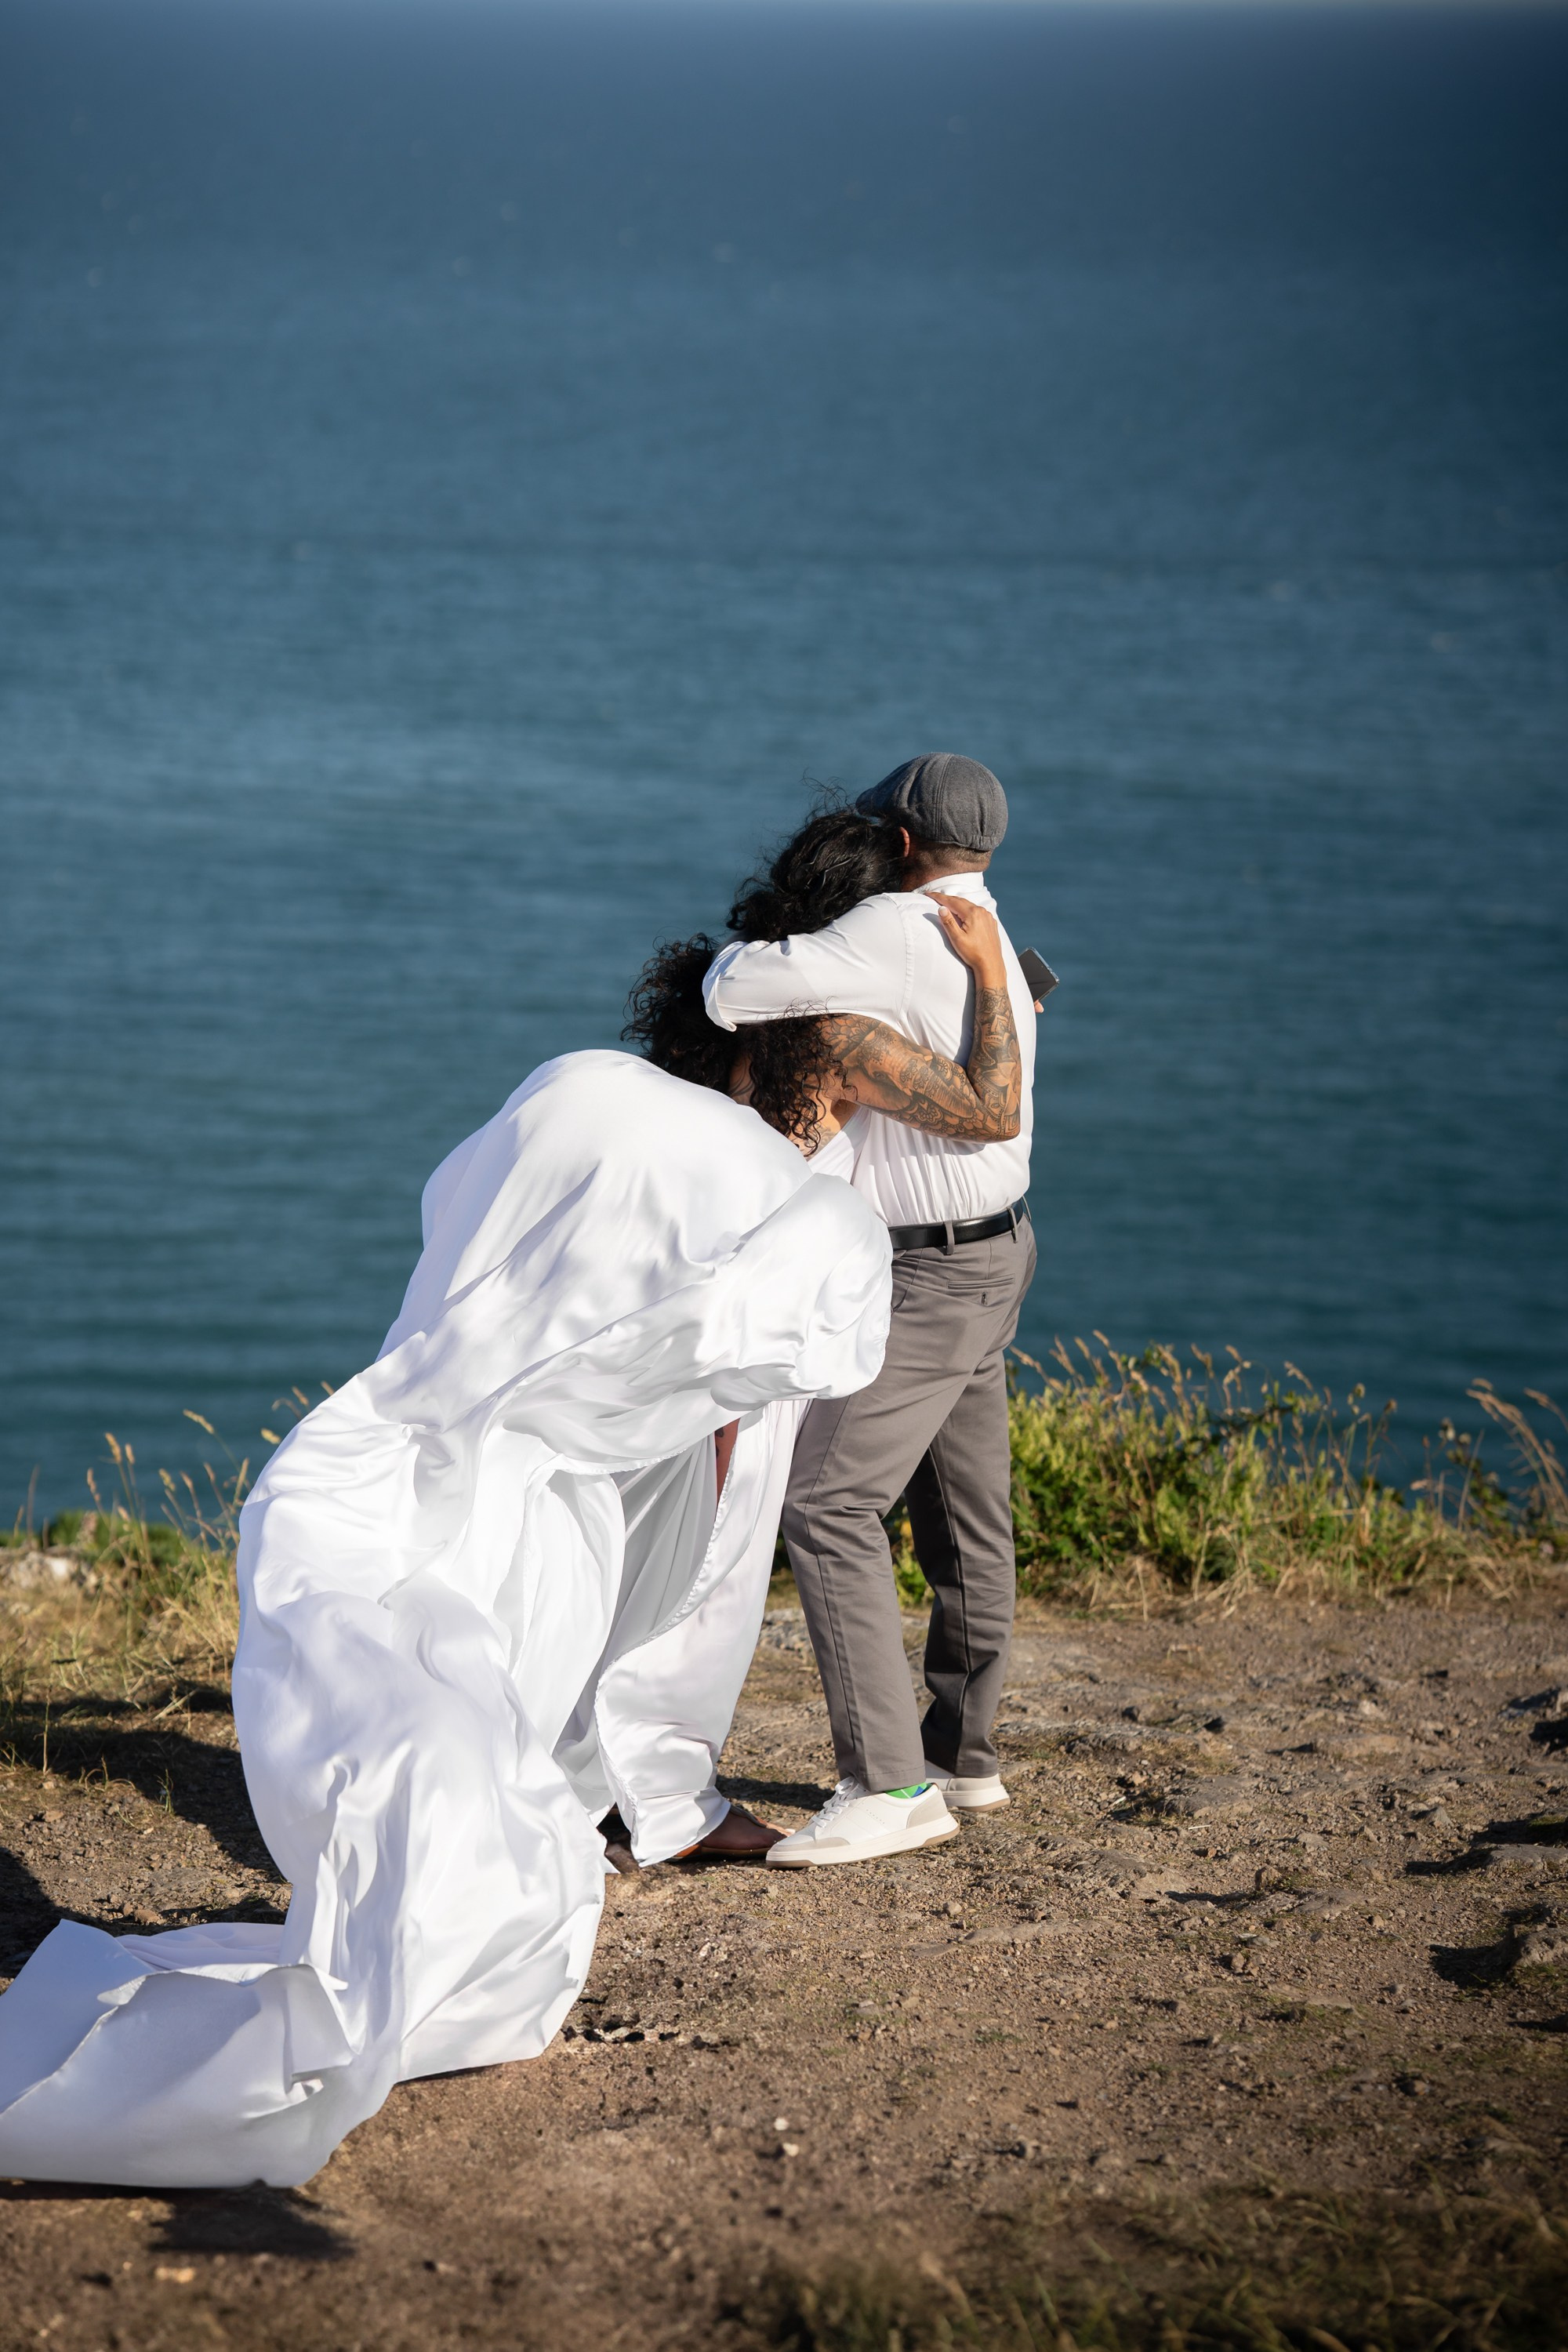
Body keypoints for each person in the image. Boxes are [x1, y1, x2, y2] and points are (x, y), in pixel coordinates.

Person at [619, 804, 1026, 1864]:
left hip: (725, 1280)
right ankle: (909, 1777)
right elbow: (992, 1112)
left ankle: (940, 1763)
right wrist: (988, 975)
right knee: (810, 1521)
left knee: (697, 1537)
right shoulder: (845, 1035)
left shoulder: (737, 1013)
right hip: (789, 1310)